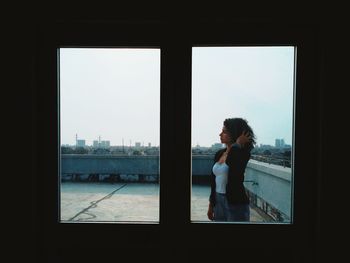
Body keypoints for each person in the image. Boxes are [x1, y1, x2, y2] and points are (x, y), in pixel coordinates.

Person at [207, 118, 256, 222]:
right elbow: (213, 181)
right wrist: (211, 204)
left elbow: (232, 162)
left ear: (234, 133)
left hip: (235, 202)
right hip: (218, 199)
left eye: (224, 132)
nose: (220, 134)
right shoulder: (219, 153)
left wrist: (237, 145)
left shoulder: (242, 153)